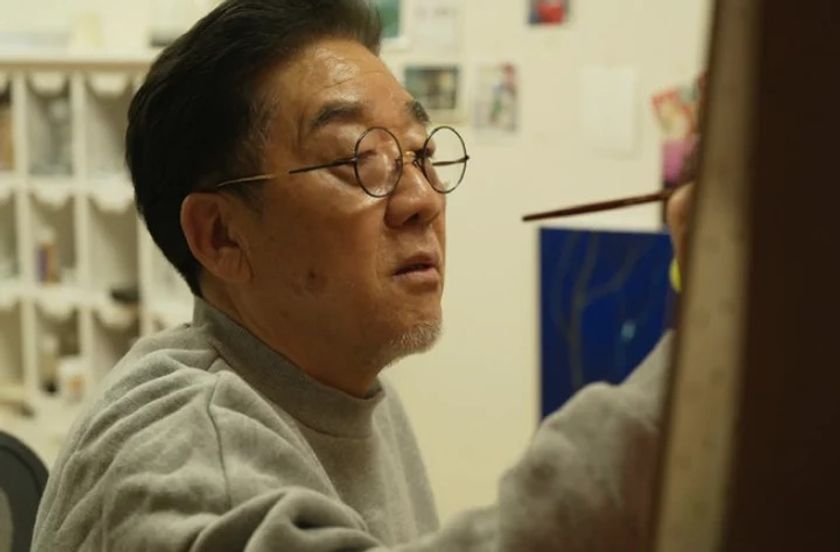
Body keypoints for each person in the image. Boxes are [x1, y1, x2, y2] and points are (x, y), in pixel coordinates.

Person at [32, 1, 694, 550]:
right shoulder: (184, 454)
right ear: (222, 236)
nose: (423, 200)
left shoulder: (344, 387)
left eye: (421, 153)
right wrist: (710, 346)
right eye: (358, 160)